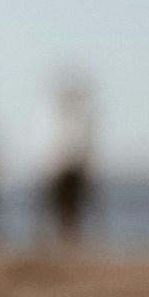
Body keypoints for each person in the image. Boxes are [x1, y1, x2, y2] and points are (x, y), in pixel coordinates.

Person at [39, 73, 97, 247]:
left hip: (73, 168)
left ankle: (71, 236)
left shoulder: (81, 117)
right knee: (61, 205)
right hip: (62, 168)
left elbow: (85, 144)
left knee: (74, 205)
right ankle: (63, 235)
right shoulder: (56, 116)